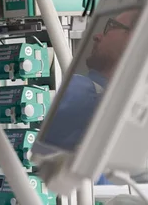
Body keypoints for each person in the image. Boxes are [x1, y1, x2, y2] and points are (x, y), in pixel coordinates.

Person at [42, 10, 138, 184]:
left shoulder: (85, 93)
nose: (97, 36)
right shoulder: (86, 92)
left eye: (110, 28)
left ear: (133, 39)